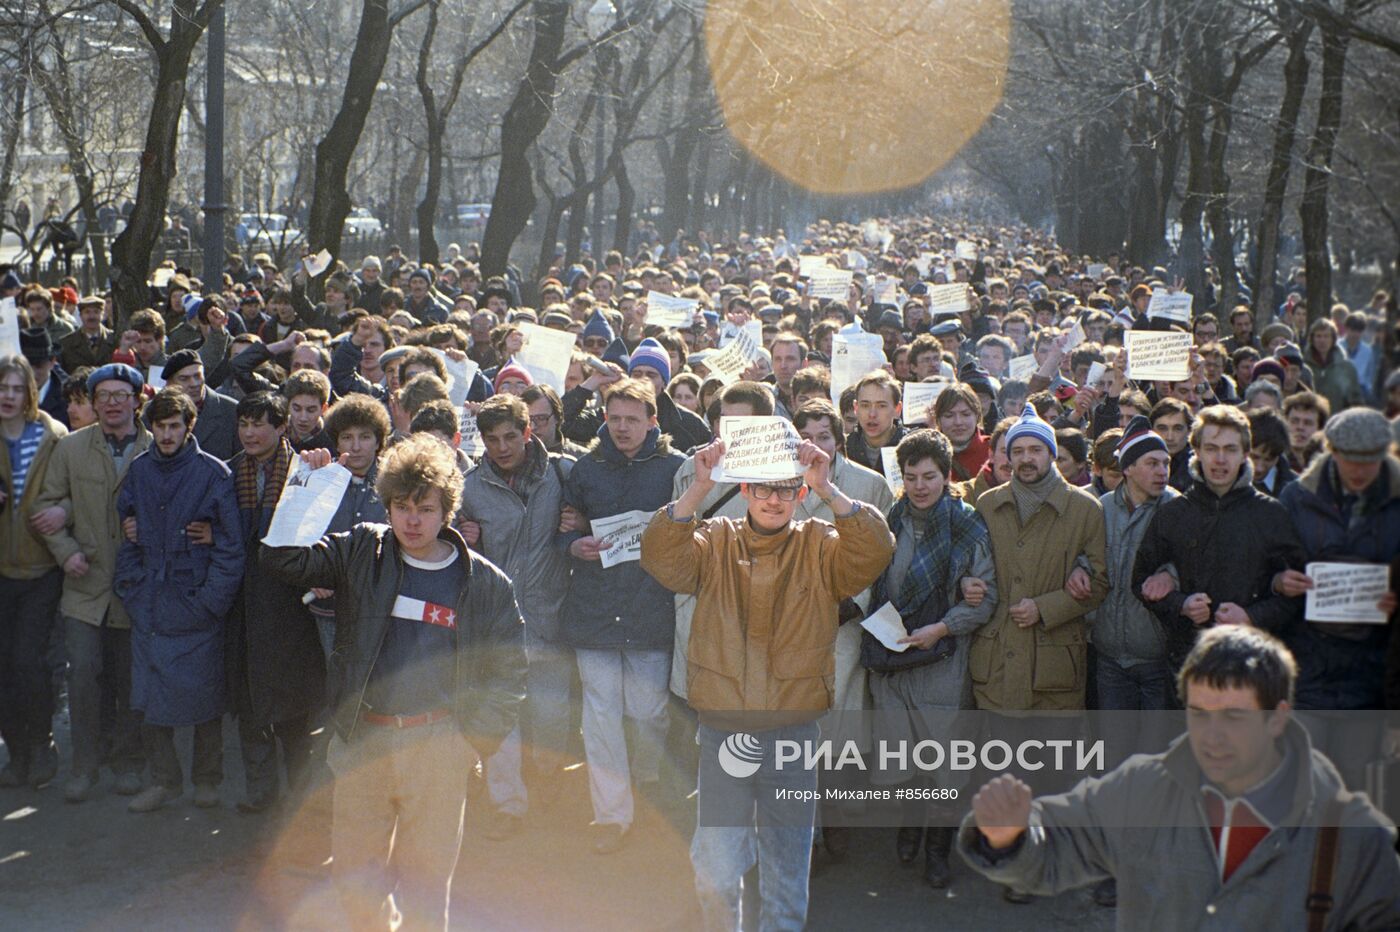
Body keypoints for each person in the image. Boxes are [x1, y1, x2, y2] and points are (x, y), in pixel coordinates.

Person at [958, 626, 1400, 928]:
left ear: (1278, 718)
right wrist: (1009, 836)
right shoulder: (1140, 790)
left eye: (1234, 717)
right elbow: (1057, 846)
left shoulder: (1354, 836)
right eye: (1199, 714)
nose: (1213, 737)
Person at [261, 434, 526, 931]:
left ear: (446, 509)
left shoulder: (486, 583)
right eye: (401, 507)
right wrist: (304, 486)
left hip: (439, 746)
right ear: (387, 506)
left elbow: (510, 668)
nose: (412, 519)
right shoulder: (362, 549)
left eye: (424, 508)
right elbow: (282, 560)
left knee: (428, 887)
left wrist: (474, 742)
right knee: (353, 879)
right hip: (365, 739)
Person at [640, 435, 894, 932]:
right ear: (746, 490)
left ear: (800, 494)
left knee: (786, 865)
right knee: (715, 862)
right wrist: (698, 487)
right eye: (762, 489)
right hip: (722, 732)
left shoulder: (822, 543)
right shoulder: (713, 539)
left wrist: (828, 487)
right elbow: (660, 557)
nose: (773, 500)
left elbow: (874, 550)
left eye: (785, 490)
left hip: (793, 734)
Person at [865, 428, 996, 889]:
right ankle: (909, 824)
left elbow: (986, 597)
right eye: (911, 477)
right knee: (904, 757)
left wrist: (941, 628)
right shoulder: (887, 520)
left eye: (929, 476)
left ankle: (937, 849)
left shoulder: (968, 524)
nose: (920, 486)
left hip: (943, 662)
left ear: (946, 476)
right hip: (894, 660)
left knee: (944, 763)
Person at [558, 378, 685, 853]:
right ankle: (611, 815)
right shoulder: (586, 470)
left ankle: (646, 777)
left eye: (633, 419)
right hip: (596, 609)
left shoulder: (675, 468)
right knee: (601, 715)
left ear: (653, 420)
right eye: (615, 418)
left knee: (648, 711)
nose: (623, 428)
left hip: (650, 611)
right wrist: (574, 545)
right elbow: (559, 529)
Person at [114, 389, 244, 812]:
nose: (167, 435)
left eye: (175, 426)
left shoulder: (214, 473)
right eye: (160, 425)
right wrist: (131, 584)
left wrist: (211, 601)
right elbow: (126, 528)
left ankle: (207, 778)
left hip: (195, 599)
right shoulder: (138, 470)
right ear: (149, 427)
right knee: (150, 697)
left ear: (190, 426)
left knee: (204, 697)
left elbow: (231, 547)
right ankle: (163, 781)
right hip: (150, 599)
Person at [457, 395, 575, 839]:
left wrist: (579, 522)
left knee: (550, 719)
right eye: (492, 439)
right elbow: (451, 551)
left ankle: (547, 790)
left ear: (529, 432)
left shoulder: (562, 474)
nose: (502, 447)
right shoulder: (469, 487)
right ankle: (507, 805)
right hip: (498, 623)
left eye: (511, 436)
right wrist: (464, 538)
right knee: (501, 721)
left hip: (550, 616)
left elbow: (589, 522)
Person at [34, 363, 151, 802]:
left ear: (137, 400)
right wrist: (67, 554)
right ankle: (83, 766)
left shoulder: (154, 447)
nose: (112, 403)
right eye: (103, 395)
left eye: (121, 395)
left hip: (135, 590)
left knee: (129, 680)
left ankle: (128, 762)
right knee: (82, 674)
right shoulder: (71, 448)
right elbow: (46, 509)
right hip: (84, 588)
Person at [1274, 408, 1399, 788]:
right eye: (1350, 460)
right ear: (1330, 451)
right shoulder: (1296, 497)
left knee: (1354, 790)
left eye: (1370, 461)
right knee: (1303, 787)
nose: (1360, 471)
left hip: (1371, 674)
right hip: (1308, 666)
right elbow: (1269, 566)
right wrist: (1281, 581)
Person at [1132, 405, 1304, 671]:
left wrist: (1251, 616)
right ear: (1197, 451)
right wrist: (1181, 604)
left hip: (1253, 663)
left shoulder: (1271, 514)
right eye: (1211, 448)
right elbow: (1140, 580)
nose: (1220, 459)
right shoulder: (1173, 513)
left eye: (1230, 449)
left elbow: (1298, 593)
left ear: (1245, 454)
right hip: (1186, 661)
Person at [223, 392, 325, 814]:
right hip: (242, 604)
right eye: (243, 424)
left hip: (289, 606)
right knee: (248, 703)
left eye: (259, 423)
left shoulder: (305, 474)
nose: (249, 432)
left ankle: (301, 797)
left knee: (293, 706)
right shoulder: (227, 474)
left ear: (282, 428)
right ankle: (260, 791)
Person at [972, 404, 1108, 712]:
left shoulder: (1085, 508)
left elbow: (1099, 584)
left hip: (1054, 666)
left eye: (1035, 449)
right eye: (1016, 451)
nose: (1025, 458)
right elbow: (973, 566)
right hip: (997, 661)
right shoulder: (988, 504)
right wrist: (968, 582)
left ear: (1051, 453)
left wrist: (1044, 608)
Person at [0, 355, 69, 788]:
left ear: (30, 391)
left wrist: (64, 510)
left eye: (16, 389)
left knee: (29, 663)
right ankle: (17, 752)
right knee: (3, 668)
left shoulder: (54, 435)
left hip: (42, 568)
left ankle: (41, 743)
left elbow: (74, 491)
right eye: (1, 388)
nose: (8, 397)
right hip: (0, 572)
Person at [159, 348, 240, 461]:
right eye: (184, 379)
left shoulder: (232, 411)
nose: (194, 384)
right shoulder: (154, 412)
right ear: (170, 384)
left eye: (197, 376)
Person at [845, 371, 907, 471]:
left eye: (881, 406)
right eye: (865, 405)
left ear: (897, 409)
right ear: (856, 408)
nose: (872, 414)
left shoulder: (913, 448)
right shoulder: (844, 448)